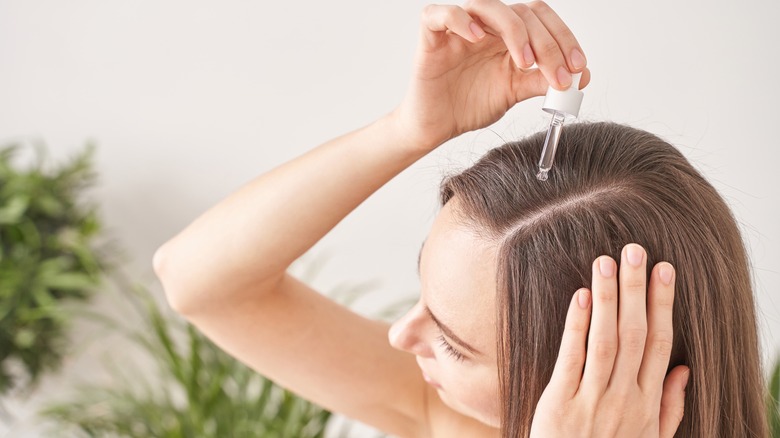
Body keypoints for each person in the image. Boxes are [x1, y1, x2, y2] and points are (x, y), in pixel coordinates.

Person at [152, 1, 767, 436]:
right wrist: (407, 130)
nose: (401, 335)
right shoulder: (454, 417)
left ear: (590, 370)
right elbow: (199, 282)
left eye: (454, 344)